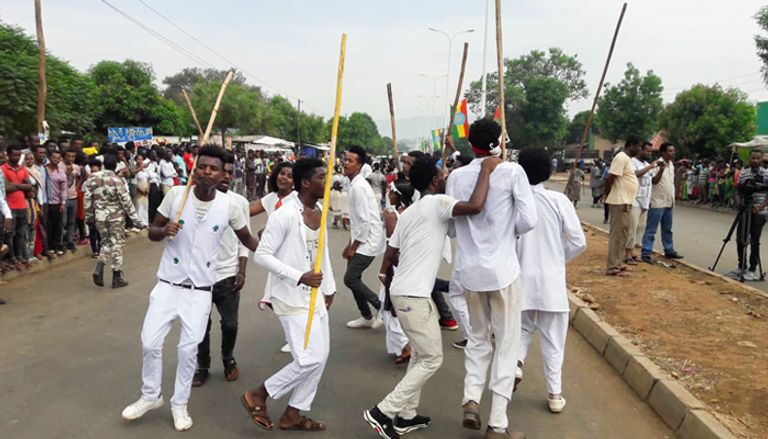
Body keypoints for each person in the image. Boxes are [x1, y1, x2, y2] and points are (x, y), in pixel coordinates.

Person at [121, 146, 260, 432]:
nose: (207, 172)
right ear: (195, 169)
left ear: (223, 174)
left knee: (188, 351)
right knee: (149, 342)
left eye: (214, 169)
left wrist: (278, 258)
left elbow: (247, 239)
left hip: (200, 290)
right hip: (168, 285)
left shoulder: (229, 205)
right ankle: (150, 396)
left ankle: (179, 404)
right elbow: (152, 233)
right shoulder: (175, 196)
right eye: (202, 167)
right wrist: (165, 230)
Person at [363, 155, 499, 439]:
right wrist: (486, 168)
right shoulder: (438, 204)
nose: (446, 178)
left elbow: (391, 252)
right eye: (443, 175)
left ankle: (406, 416)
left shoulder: (411, 212)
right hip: (413, 296)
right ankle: (383, 411)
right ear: (436, 180)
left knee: (421, 356)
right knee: (432, 359)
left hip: (404, 292)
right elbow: (475, 206)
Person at [447, 118, 537, 439]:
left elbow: (450, 225)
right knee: (506, 344)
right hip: (503, 272)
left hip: (469, 272)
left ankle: (471, 398)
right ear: (499, 142)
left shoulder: (456, 176)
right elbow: (528, 220)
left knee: (478, 339)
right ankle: (498, 423)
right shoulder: (513, 172)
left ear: (471, 144)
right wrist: (502, 233)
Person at [241, 158, 334, 432]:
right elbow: (263, 255)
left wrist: (329, 289)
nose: (327, 182)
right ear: (305, 182)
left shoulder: (320, 209)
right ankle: (259, 394)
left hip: (315, 297)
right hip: (290, 298)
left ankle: (294, 413)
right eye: (321, 177)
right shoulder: (284, 214)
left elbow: (322, 253)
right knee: (308, 359)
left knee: (322, 356)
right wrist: (298, 276)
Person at [515, 147, 586, 414]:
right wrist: (558, 258)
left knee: (520, 331)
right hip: (551, 284)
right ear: (548, 171)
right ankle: (555, 395)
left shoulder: (514, 202)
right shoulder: (559, 201)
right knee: (554, 342)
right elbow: (579, 242)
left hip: (520, 281)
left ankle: (516, 364)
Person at [192, 152, 250, 387]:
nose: (225, 176)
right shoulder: (194, 201)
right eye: (220, 171)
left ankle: (228, 359)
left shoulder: (239, 203)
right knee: (200, 326)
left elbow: (245, 240)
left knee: (230, 324)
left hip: (228, 274)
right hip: (199, 277)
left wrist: (242, 270)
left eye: (228, 171)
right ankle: (202, 365)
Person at [84, 155, 145, 289]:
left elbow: (87, 199)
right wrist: (137, 221)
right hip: (116, 217)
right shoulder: (117, 180)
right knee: (116, 243)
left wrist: (89, 216)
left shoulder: (93, 179)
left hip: (100, 216)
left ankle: (100, 266)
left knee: (105, 242)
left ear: (104, 164)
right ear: (115, 166)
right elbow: (126, 202)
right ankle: (117, 275)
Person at [343, 145, 385, 329]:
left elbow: (365, 221)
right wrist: (350, 243)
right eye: (345, 159)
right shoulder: (354, 185)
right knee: (354, 279)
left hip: (369, 240)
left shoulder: (359, 187)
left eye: (350, 161)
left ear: (359, 166)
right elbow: (357, 221)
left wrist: (354, 246)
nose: (345, 163)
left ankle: (381, 307)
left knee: (350, 278)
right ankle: (366, 316)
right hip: (360, 239)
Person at [378, 180, 414, 364]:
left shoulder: (392, 216)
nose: (388, 195)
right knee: (396, 306)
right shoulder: (411, 213)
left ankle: (405, 345)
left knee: (388, 307)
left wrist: (383, 270)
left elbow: (391, 247)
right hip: (408, 264)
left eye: (391, 192)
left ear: (397, 195)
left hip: (395, 265)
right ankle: (403, 344)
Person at [602, 136, 641, 276]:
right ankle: (612, 267)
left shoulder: (627, 159)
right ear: (631, 145)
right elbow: (610, 178)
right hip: (619, 202)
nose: (639, 150)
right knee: (617, 236)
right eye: (639, 146)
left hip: (625, 202)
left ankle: (618, 263)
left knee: (622, 235)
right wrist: (607, 194)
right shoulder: (621, 157)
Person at [727, 149, 768, 280]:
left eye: (757, 158)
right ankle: (741, 266)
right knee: (740, 239)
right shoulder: (744, 173)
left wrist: (760, 207)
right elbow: (738, 189)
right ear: (749, 159)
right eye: (753, 158)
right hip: (745, 209)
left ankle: (752, 269)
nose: (755, 160)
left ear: (761, 160)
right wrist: (739, 202)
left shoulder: (766, 174)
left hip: (759, 212)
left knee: (754, 240)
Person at [641, 142, 683, 263]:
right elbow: (654, 181)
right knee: (651, 229)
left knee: (667, 229)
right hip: (657, 202)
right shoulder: (655, 165)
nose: (673, 153)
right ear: (663, 152)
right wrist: (661, 170)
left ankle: (669, 250)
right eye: (670, 151)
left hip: (669, 201)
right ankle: (646, 252)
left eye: (673, 151)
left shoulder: (672, 166)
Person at [2, 144, 34, 269]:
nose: (17, 157)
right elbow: (5, 188)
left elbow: (30, 186)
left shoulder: (22, 169)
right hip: (9, 207)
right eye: (15, 155)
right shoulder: (3, 169)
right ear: (8, 155)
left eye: (19, 155)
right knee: (10, 234)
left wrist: (15, 185)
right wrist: (21, 185)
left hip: (22, 205)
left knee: (21, 233)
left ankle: (20, 255)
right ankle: (12, 257)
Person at [625, 141, 656, 265]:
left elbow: (653, 180)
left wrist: (660, 170)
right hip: (635, 199)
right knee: (632, 227)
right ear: (640, 150)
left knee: (640, 227)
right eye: (647, 151)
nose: (649, 153)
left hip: (645, 200)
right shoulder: (632, 162)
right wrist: (649, 167)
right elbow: (635, 174)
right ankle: (626, 254)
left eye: (650, 152)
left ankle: (632, 252)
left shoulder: (647, 164)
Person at [45, 150, 68, 256]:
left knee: (57, 226)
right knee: (47, 226)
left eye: (58, 158)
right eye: (54, 157)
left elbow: (63, 189)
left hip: (56, 203)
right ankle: (48, 247)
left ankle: (57, 246)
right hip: (45, 203)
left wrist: (63, 203)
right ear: (50, 157)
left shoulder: (61, 173)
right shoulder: (43, 169)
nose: (56, 160)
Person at [62, 148, 82, 253]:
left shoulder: (76, 167)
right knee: (63, 222)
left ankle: (70, 242)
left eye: (73, 157)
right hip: (63, 198)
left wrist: (77, 188)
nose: (71, 158)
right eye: (68, 156)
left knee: (71, 221)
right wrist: (67, 174)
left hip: (73, 197)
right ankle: (61, 242)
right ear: (64, 156)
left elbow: (79, 178)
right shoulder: (60, 166)